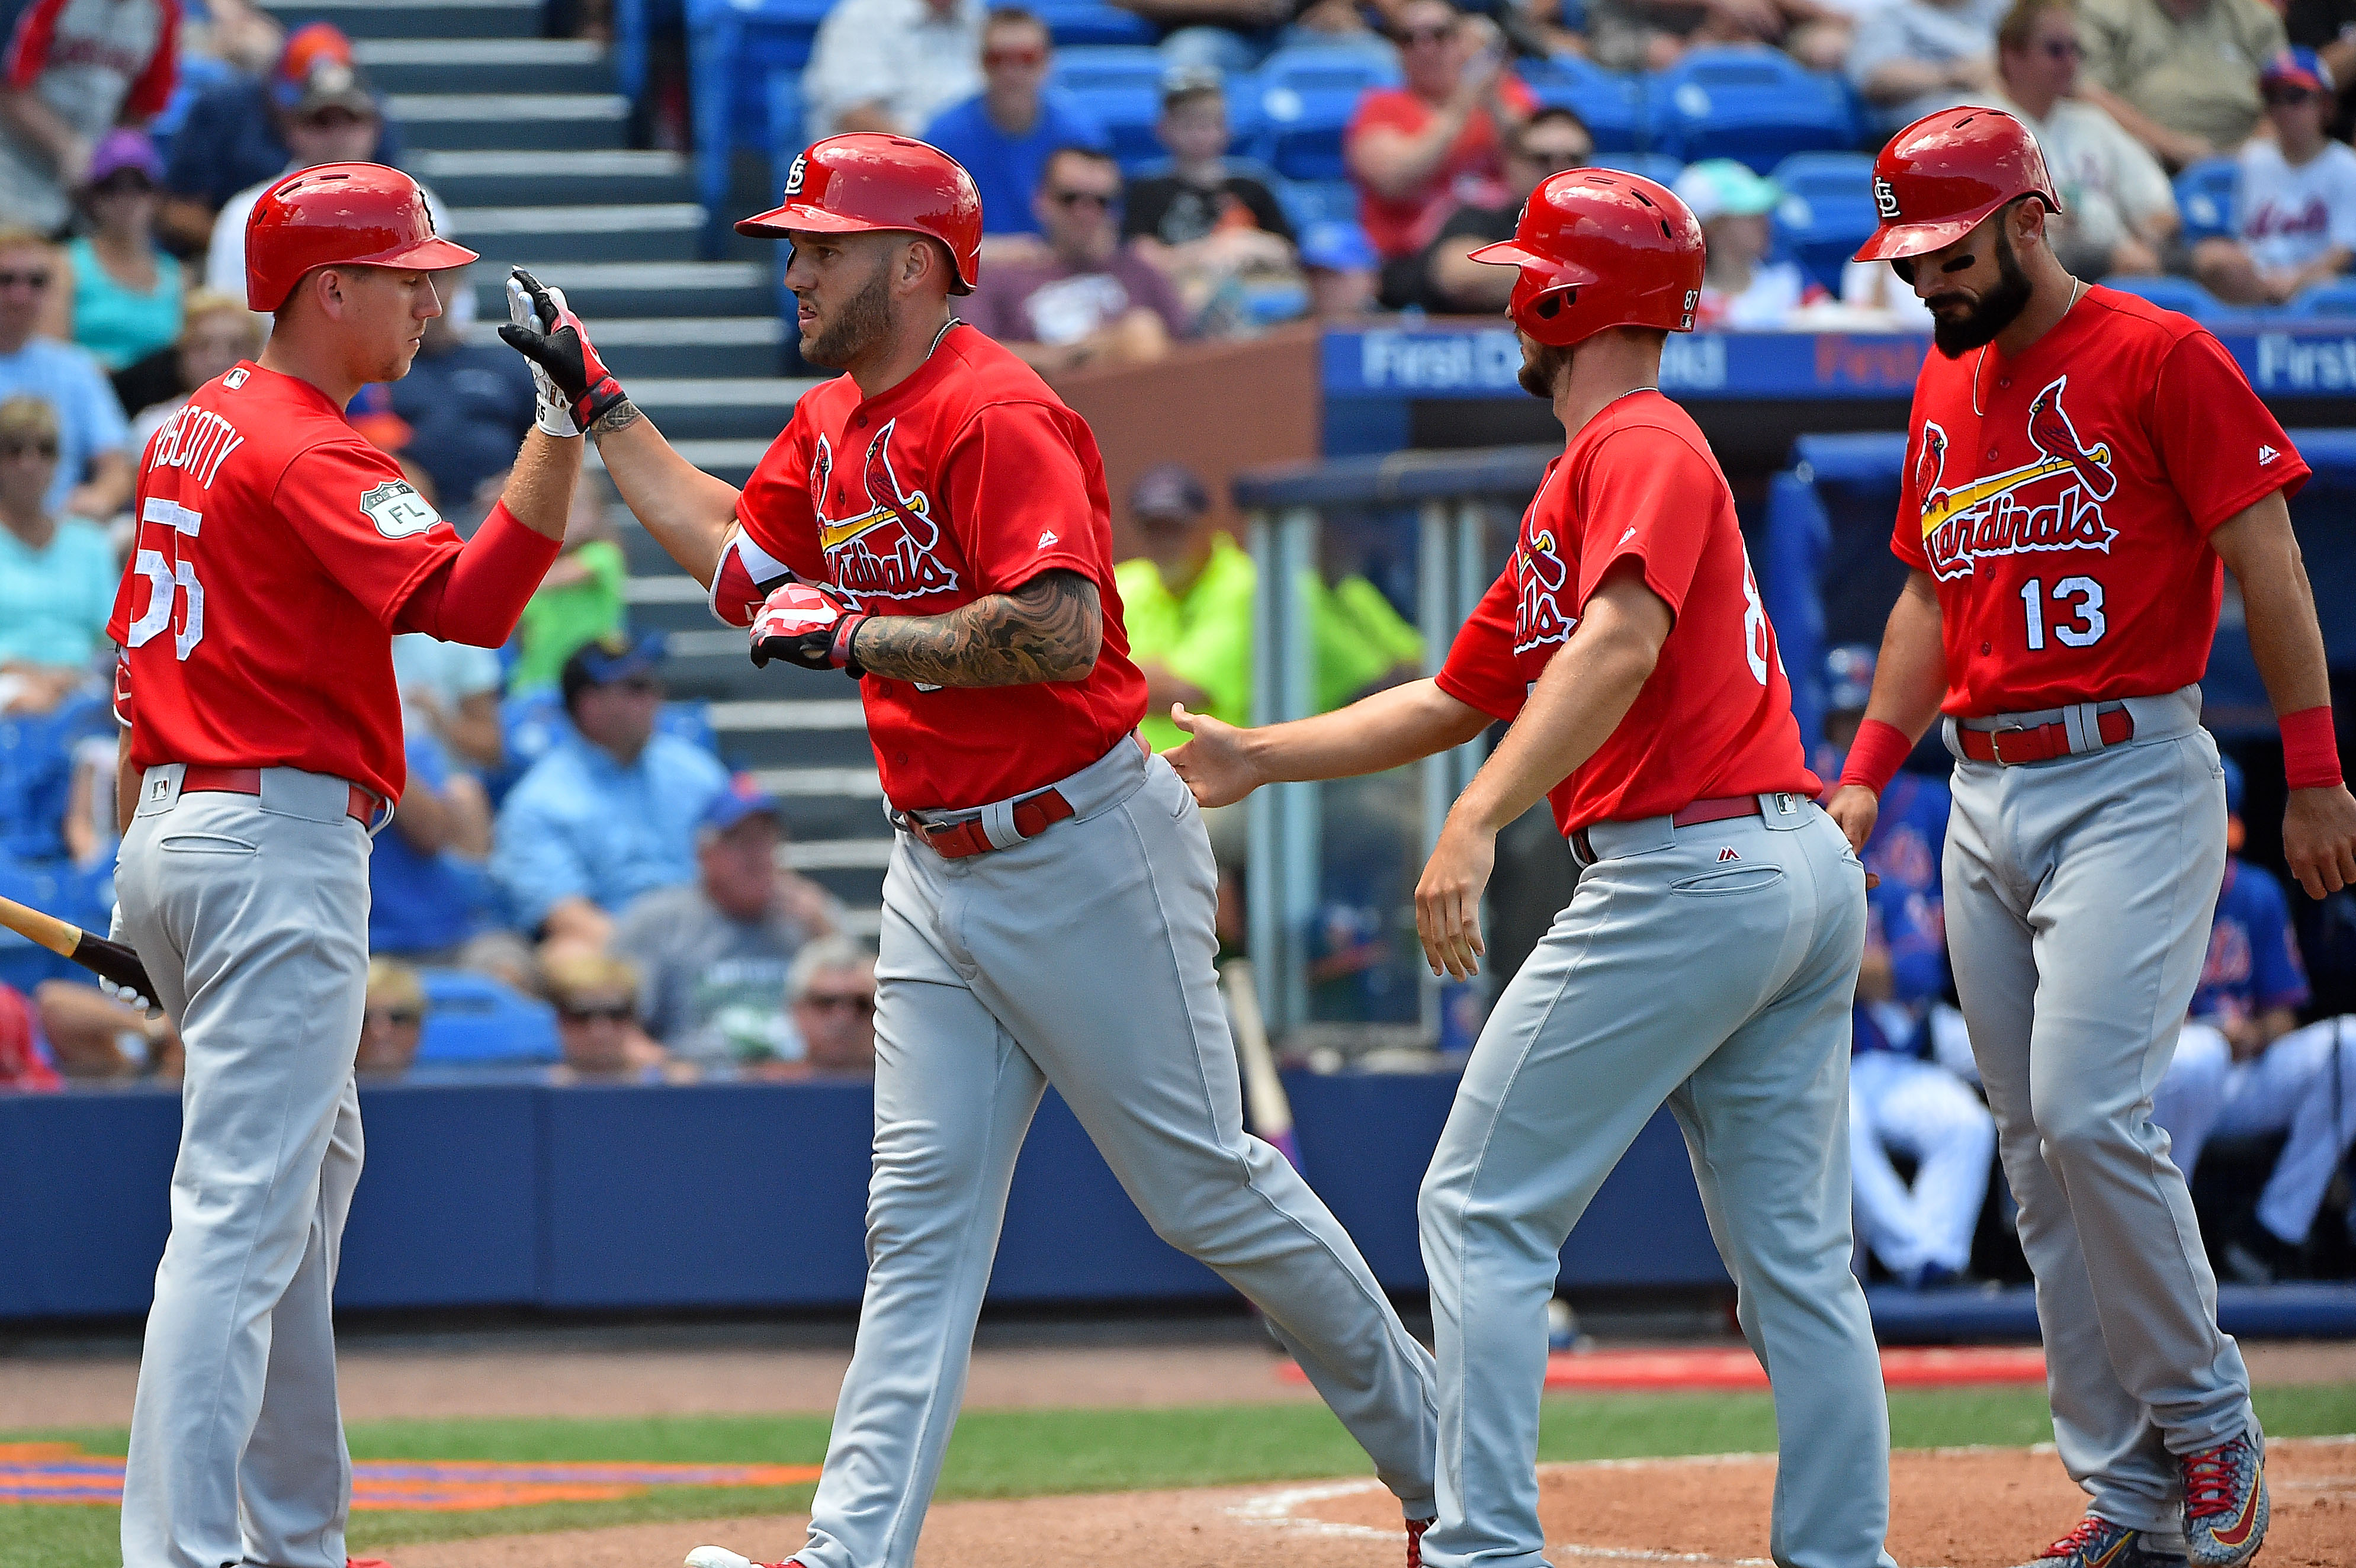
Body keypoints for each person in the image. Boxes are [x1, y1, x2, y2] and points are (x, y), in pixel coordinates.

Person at [498, 130, 1445, 1568]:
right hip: (934, 867)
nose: (797, 266)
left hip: (1084, 842)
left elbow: (1058, 627)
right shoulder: (829, 422)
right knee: (916, 1227)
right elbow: (744, 571)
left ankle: (1457, 1482)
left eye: (821, 241)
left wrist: (858, 633)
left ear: (915, 260)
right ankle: (847, 1552)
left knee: (1207, 1190)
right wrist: (606, 403)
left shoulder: (995, 408)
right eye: (795, 241)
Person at [1166, 165, 1890, 1568]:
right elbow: (1452, 692)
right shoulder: (1599, 463)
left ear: (1569, 295)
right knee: (1797, 1267)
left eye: (1523, 277)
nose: (1507, 298)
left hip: (1693, 868)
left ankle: (1481, 1545)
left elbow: (1614, 649)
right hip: (1774, 864)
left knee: (1479, 1205)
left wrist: (1474, 818)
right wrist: (1264, 754)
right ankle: (1840, 1554)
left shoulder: (1640, 442)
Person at [1834, 106, 2356, 1568]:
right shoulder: (1942, 391)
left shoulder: (2157, 353)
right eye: (1906, 261)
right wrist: (1871, 768)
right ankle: (2126, 1495)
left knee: (2084, 1108)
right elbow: (1928, 598)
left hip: (2131, 772)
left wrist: (2313, 771)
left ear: (2026, 218)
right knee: (2029, 1156)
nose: (1925, 283)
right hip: (1980, 787)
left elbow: (2268, 553)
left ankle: (2208, 1428)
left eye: (1945, 252)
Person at [108, 161, 577, 1568]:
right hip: (271, 845)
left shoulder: (191, 425)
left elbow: (138, 668)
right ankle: (181, 1554)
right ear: (330, 289)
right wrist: (565, 420)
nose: (432, 298)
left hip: (187, 820)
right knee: (243, 1222)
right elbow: (478, 605)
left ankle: (296, 1540)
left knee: (299, 1202)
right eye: (409, 274)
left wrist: (142, 880)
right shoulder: (308, 444)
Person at [1821, 644, 1995, 1291]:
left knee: (1972, 1120)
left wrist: (1837, 962)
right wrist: (1862, 966)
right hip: (1826, 1059)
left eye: (1863, 721)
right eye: (1843, 723)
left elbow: (1919, 974)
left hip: (1904, 1049)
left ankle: (1932, 1264)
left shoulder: (1898, 877)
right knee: (1835, 1124)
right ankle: (1921, 1258)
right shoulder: (1801, 797)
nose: (1851, 739)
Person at [489, 630, 730, 957]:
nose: (655, 697)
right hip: (615, 958)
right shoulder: (539, 801)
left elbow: (746, 856)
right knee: (567, 954)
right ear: (589, 705)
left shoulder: (696, 772)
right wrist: (663, 965)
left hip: (715, 937)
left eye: (652, 683)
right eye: (637, 687)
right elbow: (566, 916)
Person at [613, 773, 845, 1071]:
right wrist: (666, 1071)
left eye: (765, 840)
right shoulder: (658, 922)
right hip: (697, 1089)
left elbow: (866, 1010)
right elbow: (615, 1024)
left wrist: (825, 933)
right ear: (704, 855)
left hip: (797, 1085)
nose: (756, 856)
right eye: (741, 841)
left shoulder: (811, 915)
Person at [158, 23, 404, 253]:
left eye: (350, 121)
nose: (336, 135)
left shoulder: (397, 188)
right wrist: (261, 239)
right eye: (319, 121)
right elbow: (177, 212)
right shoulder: (223, 112)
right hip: (232, 242)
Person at [1994, 0, 2180, 280]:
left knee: (2221, 263)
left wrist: (2148, 236)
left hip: (2119, 254)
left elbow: (2160, 209)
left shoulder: (2092, 121)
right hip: (2035, 265)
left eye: (2076, 50)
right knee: (2132, 265)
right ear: (2012, 57)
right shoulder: (1980, 121)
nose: (2070, 62)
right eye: (2056, 50)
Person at [967, 144, 1192, 374]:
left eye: (1101, 201)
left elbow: (1192, 349)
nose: (1086, 213)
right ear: (1042, 201)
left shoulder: (1140, 271)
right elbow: (970, 354)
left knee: (1142, 330)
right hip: (1041, 398)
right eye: (1071, 199)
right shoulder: (1003, 277)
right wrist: (1067, 357)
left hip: (1138, 394)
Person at [1345, 2, 1535, 265]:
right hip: (1415, 252)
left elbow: (1536, 169)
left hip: (1500, 236)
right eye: (1409, 39)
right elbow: (1394, 181)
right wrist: (1462, 105)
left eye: (1440, 34)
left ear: (1463, 41)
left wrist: (1494, 103)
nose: (1426, 48)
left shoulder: (1505, 94)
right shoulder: (1380, 106)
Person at [922, 8, 1110, 240]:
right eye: (997, 59)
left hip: (1060, 268)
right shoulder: (943, 139)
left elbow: (1101, 233)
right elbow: (927, 235)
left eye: (1027, 58)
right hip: (974, 271)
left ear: (1048, 62)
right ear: (980, 63)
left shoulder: (1080, 135)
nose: (1011, 71)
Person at [0, 0, 179, 236]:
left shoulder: (163, 9)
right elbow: (10, 88)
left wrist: (112, 161)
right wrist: (69, 149)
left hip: (89, 190)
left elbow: (142, 108)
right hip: (15, 172)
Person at [2193, 49, 2356, 305]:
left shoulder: (2346, 166)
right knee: (2211, 258)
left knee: (2327, 285)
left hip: (2315, 285)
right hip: (2257, 281)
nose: (2284, 109)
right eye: (2274, 98)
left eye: (2295, 97)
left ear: (2325, 105)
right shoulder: (2255, 158)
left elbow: (2342, 253)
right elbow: (2245, 241)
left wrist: (2297, 279)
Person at [1123, 68, 1298, 306]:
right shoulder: (1147, 189)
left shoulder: (1252, 184)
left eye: (1211, 123)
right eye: (1189, 124)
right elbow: (1142, 258)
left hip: (1252, 293)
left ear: (1227, 128)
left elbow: (1286, 251)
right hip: (1179, 295)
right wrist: (1215, 250)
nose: (1201, 134)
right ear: (1163, 129)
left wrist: (1246, 244)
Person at [0, 228, 132, 521]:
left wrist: (100, 497)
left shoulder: (75, 368)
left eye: (36, 282)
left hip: (59, 529)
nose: (20, 295)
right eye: (6, 280)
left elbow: (117, 465)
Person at [1406, 105, 1588, 316]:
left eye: (1574, 158)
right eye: (1542, 158)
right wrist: (1577, 276)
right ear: (1512, 163)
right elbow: (1457, 275)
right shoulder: (1478, 217)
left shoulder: (1601, 228)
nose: (1559, 168)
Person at [0, 395, 115, 715]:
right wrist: (22, 674)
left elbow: (110, 639)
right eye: (14, 451)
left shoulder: (90, 542)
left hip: (80, 684)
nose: (30, 463)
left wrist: (73, 677)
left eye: (45, 450)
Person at [386, 274, 539, 505]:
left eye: (435, 280)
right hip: (404, 513)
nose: (426, 297)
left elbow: (554, 443)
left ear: (456, 284)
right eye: (411, 282)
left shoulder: (505, 367)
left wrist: (524, 483)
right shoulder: (373, 375)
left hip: (503, 511)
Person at [2078, 0, 2285, 170]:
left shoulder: (2257, 18)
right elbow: (2086, 91)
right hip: (2143, 163)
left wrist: (2252, 155)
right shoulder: (2104, 10)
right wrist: (2172, 147)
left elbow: (2288, 93)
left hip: (2247, 164)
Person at [52, 129, 184, 394]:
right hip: (86, 398)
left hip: (156, 409)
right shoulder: (64, 264)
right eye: (112, 187)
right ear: (93, 198)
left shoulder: (178, 276)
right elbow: (52, 353)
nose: (127, 199)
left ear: (156, 196)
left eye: (140, 186)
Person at [508, 472, 629, 693]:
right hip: (537, 682)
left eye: (578, 506)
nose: (567, 516)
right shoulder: (531, 571)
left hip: (593, 683)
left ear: (598, 512)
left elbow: (546, 580)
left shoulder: (604, 555)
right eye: (557, 506)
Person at [1677, 159, 1830, 329]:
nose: (1765, 224)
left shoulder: (1790, 281)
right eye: (1750, 215)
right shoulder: (1681, 303)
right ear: (1713, 226)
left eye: (1763, 213)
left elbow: (1835, 326)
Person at [801, 0, 983, 140]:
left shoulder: (978, 16)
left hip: (966, 165)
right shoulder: (864, 15)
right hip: (880, 169)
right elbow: (853, 114)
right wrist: (934, 154)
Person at [127, 290, 261, 451]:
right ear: (182, 351)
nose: (218, 359)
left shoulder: (273, 424)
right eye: (202, 345)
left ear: (257, 353)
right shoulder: (153, 427)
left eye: (237, 346)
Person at [1848, 0, 2006, 131]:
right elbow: (1876, 78)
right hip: (1922, 138)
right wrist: (1955, 75)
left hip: (2001, 121)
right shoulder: (1891, 16)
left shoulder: (2000, 8)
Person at [543, 950, 683, 1083]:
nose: (601, 1030)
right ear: (560, 1019)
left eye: (616, 1014)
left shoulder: (677, 1085)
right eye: (582, 1016)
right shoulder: (536, 1090)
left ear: (634, 1017)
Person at [780, 934, 878, 1076]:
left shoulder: (909, 1090)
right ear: (798, 1011)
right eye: (826, 1003)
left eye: (860, 1004)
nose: (843, 1018)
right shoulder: (762, 1088)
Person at [356, 958, 426, 1078]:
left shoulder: (448, 1094)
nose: (379, 1031)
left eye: (397, 1018)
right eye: (365, 1018)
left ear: (417, 1027)